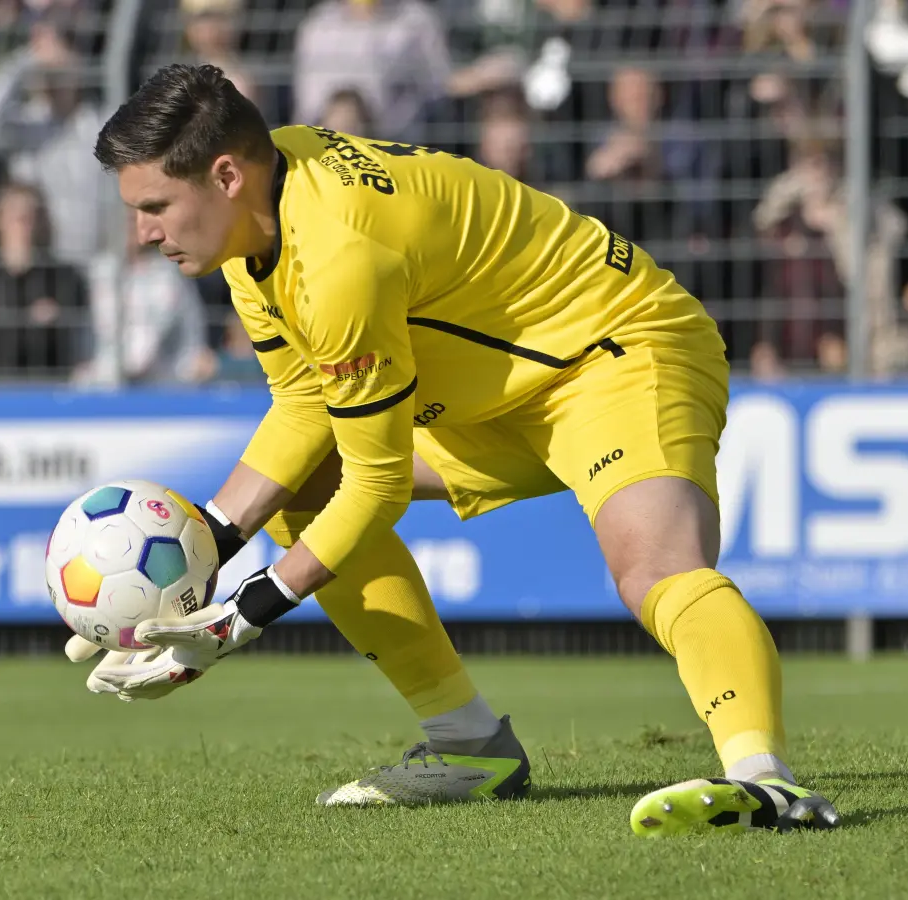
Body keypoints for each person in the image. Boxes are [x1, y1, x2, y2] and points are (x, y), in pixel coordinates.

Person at [77, 63, 841, 835]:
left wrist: (246, 612)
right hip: (493, 395)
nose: (143, 233)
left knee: (655, 569)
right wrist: (204, 546)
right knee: (307, 484)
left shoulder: (337, 254)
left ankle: (764, 782)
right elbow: (306, 401)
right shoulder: (258, 223)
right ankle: (469, 744)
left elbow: (374, 484)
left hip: (618, 349)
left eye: (155, 208)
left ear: (226, 175)